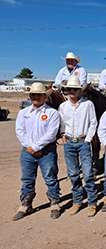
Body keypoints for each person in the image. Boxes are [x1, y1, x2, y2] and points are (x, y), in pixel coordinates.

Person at [13, 83, 62, 221]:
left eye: (39, 95)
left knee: (50, 177)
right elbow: (20, 131)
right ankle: (26, 204)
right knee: (27, 178)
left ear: (45, 97)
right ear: (29, 96)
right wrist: (30, 146)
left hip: (46, 150)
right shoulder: (24, 113)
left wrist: (35, 147)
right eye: (33, 95)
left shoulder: (52, 113)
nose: (36, 97)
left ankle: (55, 203)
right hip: (28, 150)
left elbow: (51, 133)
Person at [58, 77, 98, 217]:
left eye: (74, 89)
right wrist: (63, 136)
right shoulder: (63, 106)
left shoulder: (88, 105)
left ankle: (92, 202)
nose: (72, 92)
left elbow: (93, 123)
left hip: (82, 142)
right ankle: (77, 201)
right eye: (69, 89)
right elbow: (61, 123)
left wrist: (87, 139)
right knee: (73, 174)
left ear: (80, 90)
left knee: (87, 174)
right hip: (69, 142)